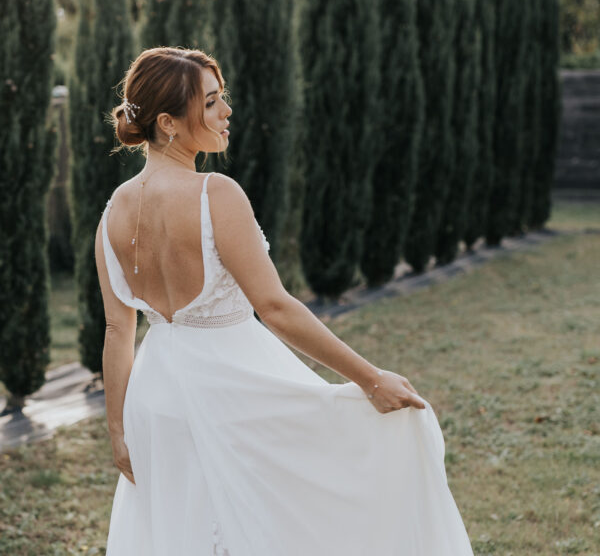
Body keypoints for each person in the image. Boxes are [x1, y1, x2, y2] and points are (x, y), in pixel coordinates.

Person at [96, 46, 473, 555]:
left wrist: (118, 428)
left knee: (183, 531)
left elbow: (119, 332)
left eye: (221, 97)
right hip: (234, 388)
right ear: (168, 122)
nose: (226, 111)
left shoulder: (112, 212)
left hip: (154, 397)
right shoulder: (215, 194)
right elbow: (273, 307)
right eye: (210, 103)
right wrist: (371, 378)